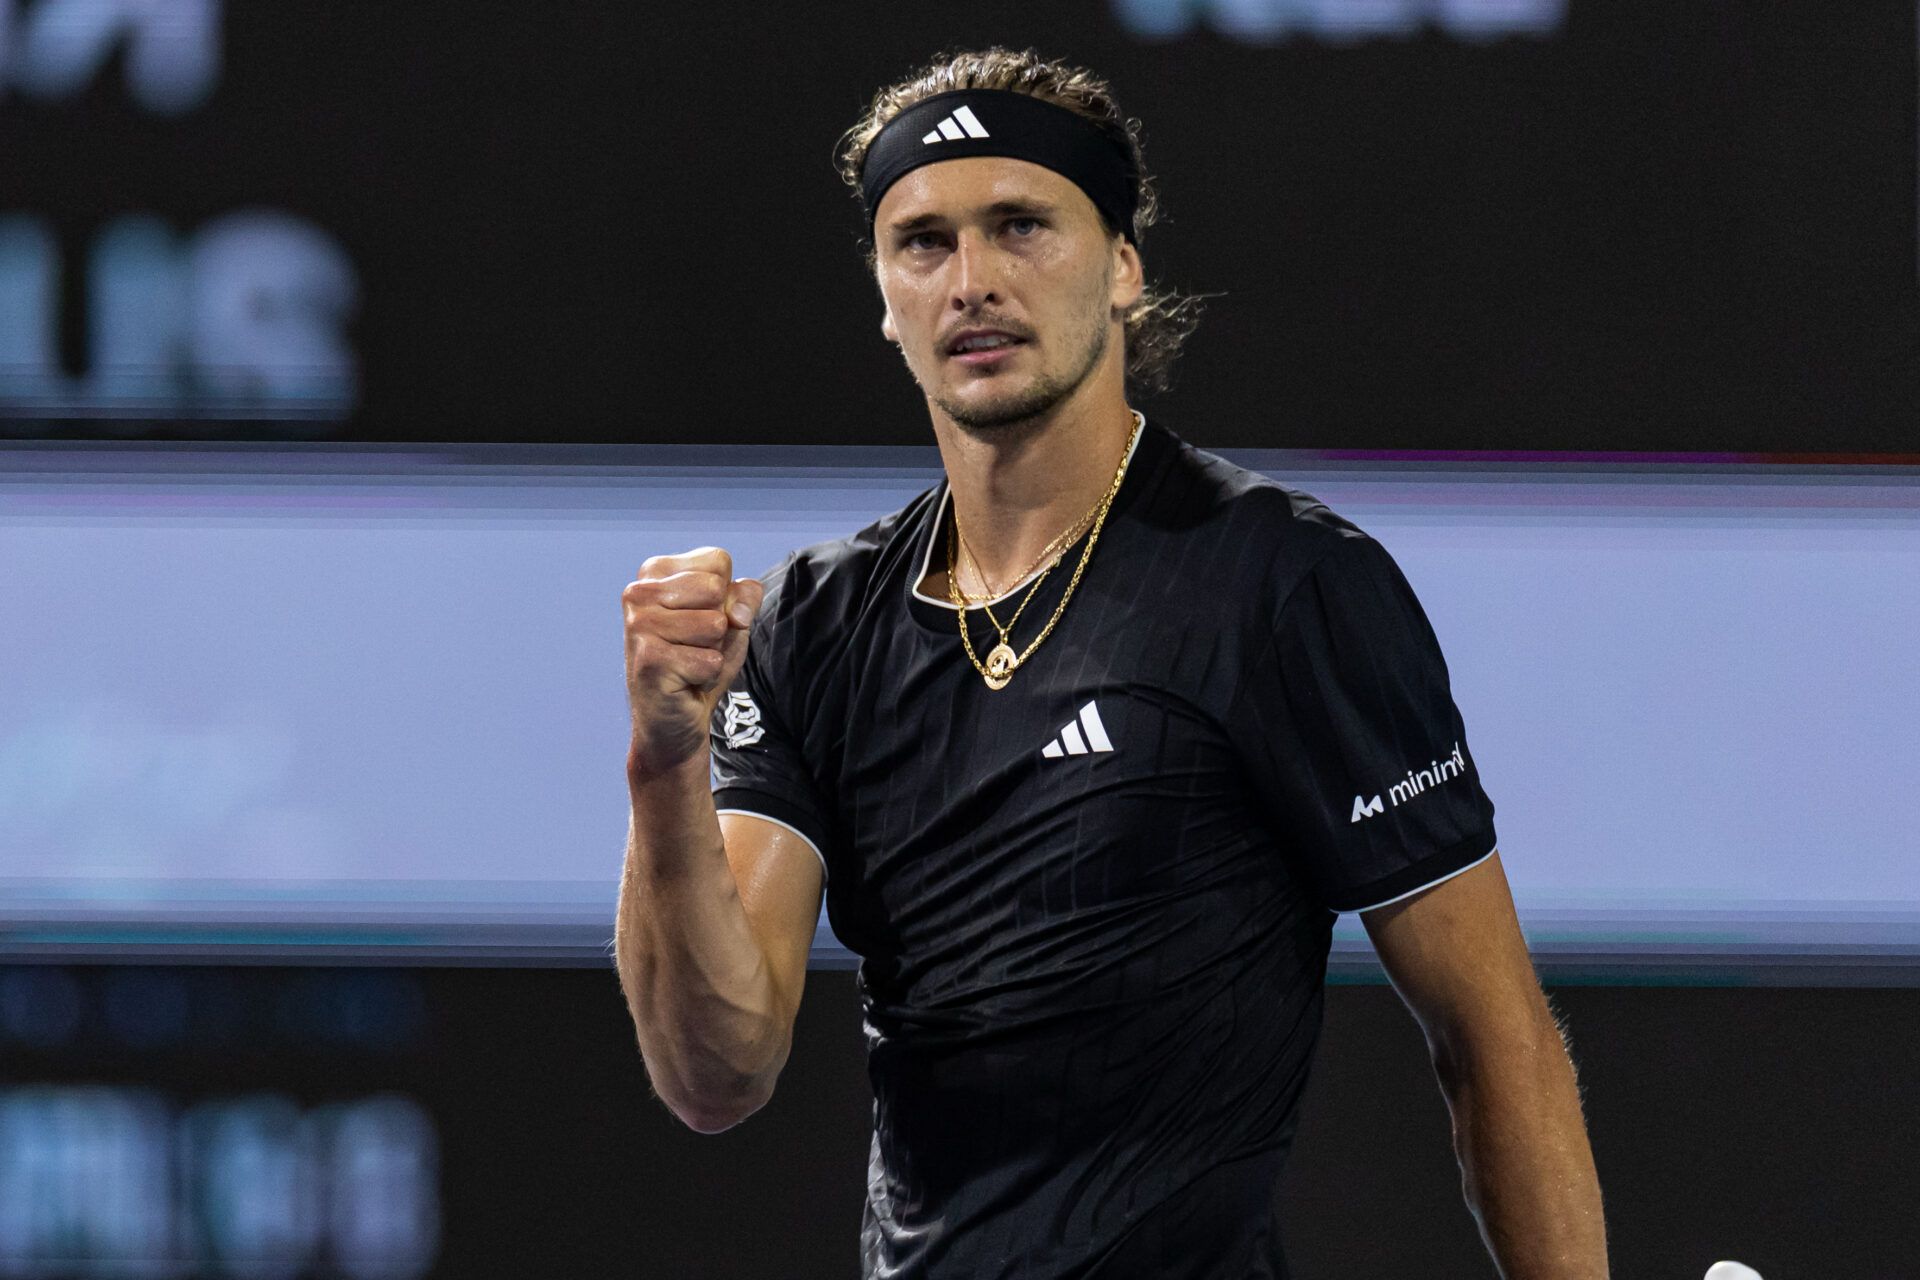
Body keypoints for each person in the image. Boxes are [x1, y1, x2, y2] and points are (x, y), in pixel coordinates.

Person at [616, 45, 1607, 1279]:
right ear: (883, 293)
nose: (972, 281)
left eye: (1020, 226)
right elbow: (717, 1071)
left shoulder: (1286, 586)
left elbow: (1494, 1036)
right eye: (923, 242)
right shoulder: (816, 622)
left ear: (1124, 264)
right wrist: (665, 765)